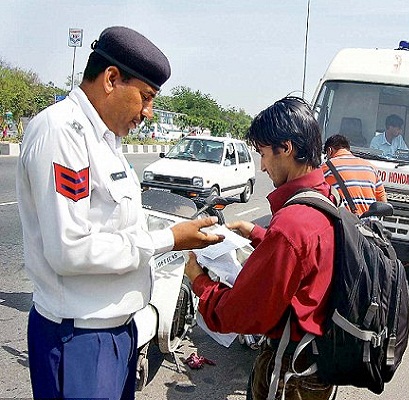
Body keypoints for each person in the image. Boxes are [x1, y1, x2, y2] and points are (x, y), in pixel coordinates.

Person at [16, 26, 224, 400]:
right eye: (145, 97)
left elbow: (121, 225)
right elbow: (70, 249)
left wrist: (182, 233)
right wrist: (169, 239)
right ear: (112, 79)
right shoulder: (63, 131)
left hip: (117, 332)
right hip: (79, 337)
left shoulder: (107, 140)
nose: (147, 112)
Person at [184, 96, 335, 400]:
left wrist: (199, 279)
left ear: (287, 148)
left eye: (264, 154)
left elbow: (242, 312)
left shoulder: (292, 224)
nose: (262, 167)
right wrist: (253, 231)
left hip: (291, 374)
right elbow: (305, 260)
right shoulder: (323, 200)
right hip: (320, 364)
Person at [322, 134, 387, 215]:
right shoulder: (371, 167)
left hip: (345, 225)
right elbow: (383, 203)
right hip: (369, 225)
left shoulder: (326, 168)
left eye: (326, 155)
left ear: (329, 151)